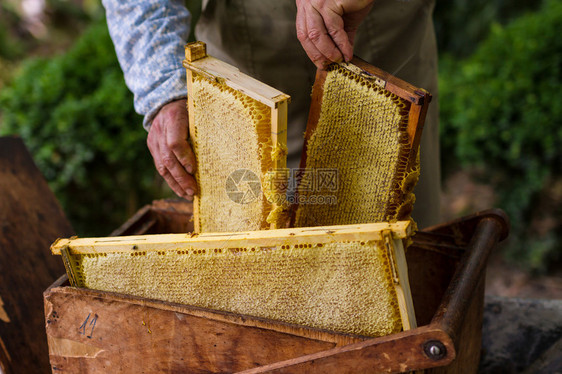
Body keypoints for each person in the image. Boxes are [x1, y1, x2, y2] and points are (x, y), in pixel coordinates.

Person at [102, 0, 441, 228]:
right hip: (244, 56)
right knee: (255, 253)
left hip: (380, 31)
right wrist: (163, 89)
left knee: (400, 233)